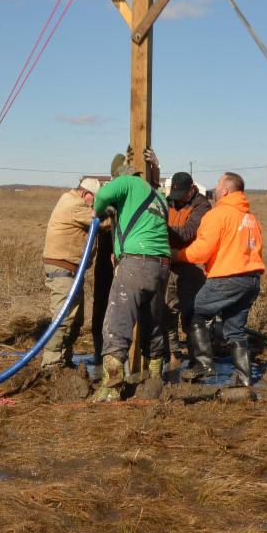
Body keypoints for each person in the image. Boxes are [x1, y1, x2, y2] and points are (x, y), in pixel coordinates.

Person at [91, 151, 171, 402]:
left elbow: (103, 196)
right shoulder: (158, 197)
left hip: (136, 263)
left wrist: (98, 212)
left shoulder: (126, 183)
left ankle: (112, 387)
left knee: (117, 323)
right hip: (161, 266)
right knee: (153, 322)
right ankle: (155, 379)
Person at [175, 172, 264, 387]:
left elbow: (201, 251)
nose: (214, 188)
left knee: (193, 313)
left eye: (217, 184)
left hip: (226, 279)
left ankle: (204, 364)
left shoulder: (219, 214)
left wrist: (176, 255)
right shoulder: (251, 219)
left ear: (225, 190)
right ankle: (243, 380)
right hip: (251, 281)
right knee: (235, 330)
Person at [41, 177, 101, 369]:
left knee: (76, 319)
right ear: (85, 193)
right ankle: (50, 362)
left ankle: (64, 358)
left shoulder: (77, 202)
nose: (96, 203)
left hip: (72, 270)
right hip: (62, 269)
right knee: (62, 316)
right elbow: (99, 221)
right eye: (95, 199)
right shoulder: (72, 202)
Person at [163, 171, 211, 365]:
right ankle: (173, 353)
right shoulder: (170, 202)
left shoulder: (202, 206)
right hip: (169, 266)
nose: (178, 200)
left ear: (192, 189)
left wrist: (160, 227)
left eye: (181, 195)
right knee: (167, 312)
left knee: (191, 314)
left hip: (191, 268)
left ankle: (196, 359)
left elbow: (187, 233)